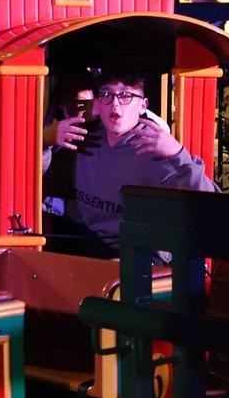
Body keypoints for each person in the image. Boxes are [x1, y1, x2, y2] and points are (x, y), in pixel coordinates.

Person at [44, 71, 218, 260]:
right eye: (107, 94)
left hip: (144, 257)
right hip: (92, 246)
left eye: (125, 95)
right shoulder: (85, 141)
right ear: (98, 103)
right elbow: (35, 185)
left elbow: (211, 211)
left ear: (143, 105)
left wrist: (178, 154)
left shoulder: (157, 148)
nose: (115, 104)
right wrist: (44, 141)